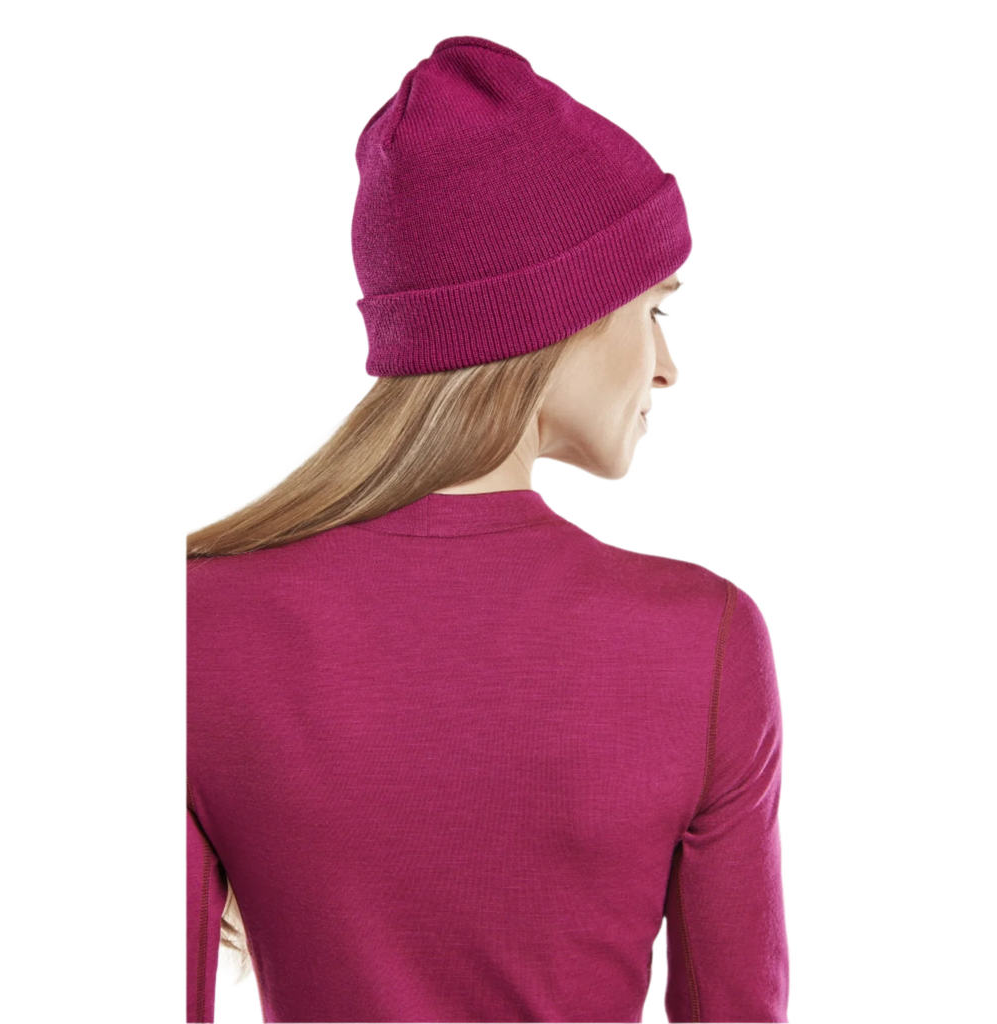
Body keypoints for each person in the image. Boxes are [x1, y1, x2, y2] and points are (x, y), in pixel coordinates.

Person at [184, 31, 792, 1024]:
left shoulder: (200, 624)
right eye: (658, 310)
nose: (669, 367)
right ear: (560, 314)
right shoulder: (706, 637)